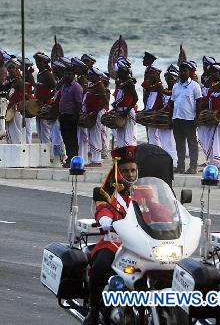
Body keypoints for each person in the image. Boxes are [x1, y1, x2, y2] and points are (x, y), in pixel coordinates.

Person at [83, 145, 138, 325]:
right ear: (117, 172)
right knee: (100, 265)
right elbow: (102, 208)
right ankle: (93, 309)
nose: (130, 174)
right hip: (114, 243)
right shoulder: (109, 194)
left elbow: (159, 211)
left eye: (133, 170)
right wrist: (105, 219)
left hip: (140, 246)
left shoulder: (145, 193)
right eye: (125, 171)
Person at [197, 63, 220, 171]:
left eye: (215, 72)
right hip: (212, 116)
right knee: (207, 137)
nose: (213, 74)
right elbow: (207, 101)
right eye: (211, 72)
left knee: (219, 139)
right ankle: (211, 163)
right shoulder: (210, 86)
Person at [172, 60, 203, 174]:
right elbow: (172, 102)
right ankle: (180, 166)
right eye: (181, 71)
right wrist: (171, 118)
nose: (182, 73)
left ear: (189, 72)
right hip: (177, 118)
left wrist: (197, 118)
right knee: (179, 144)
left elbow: (199, 102)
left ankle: (193, 167)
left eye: (185, 71)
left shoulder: (195, 86)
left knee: (192, 144)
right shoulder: (176, 86)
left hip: (190, 119)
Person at [56, 61, 84, 168]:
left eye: (69, 74)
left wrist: (75, 116)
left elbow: (78, 103)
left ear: (74, 75)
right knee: (65, 138)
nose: (67, 76)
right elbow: (57, 90)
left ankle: (74, 158)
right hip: (63, 115)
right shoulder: (64, 86)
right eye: (65, 74)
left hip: (71, 116)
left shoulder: (77, 87)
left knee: (72, 139)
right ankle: (69, 157)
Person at [79, 68, 109, 167]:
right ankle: (94, 158)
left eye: (92, 75)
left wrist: (95, 112)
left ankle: (97, 160)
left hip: (97, 113)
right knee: (91, 135)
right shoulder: (93, 85)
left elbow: (105, 101)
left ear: (97, 76)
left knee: (96, 135)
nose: (90, 76)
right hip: (92, 112)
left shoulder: (100, 86)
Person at [109, 58, 138, 148]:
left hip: (127, 112)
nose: (117, 74)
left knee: (128, 138)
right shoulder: (123, 82)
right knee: (120, 137)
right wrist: (115, 106)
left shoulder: (129, 83)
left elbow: (135, 98)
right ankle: (121, 158)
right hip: (120, 111)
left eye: (119, 72)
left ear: (124, 72)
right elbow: (122, 97)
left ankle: (129, 159)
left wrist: (126, 111)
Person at [5, 58, 31, 144]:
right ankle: (11, 149)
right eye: (9, 68)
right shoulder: (8, 80)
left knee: (16, 131)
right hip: (8, 108)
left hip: (16, 109)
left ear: (17, 69)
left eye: (12, 67)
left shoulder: (19, 81)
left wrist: (17, 102)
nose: (10, 69)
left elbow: (25, 96)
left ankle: (17, 149)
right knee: (8, 132)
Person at [33, 52, 56, 147]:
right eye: (37, 61)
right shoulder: (39, 74)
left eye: (40, 62)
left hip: (45, 106)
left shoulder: (48, 74)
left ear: (45, 63)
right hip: (39, 106)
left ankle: (48, 153)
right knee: (40, 130)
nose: (38, 64)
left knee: (46, 130)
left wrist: (44, 99)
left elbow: (54, 89)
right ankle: (43, 151)